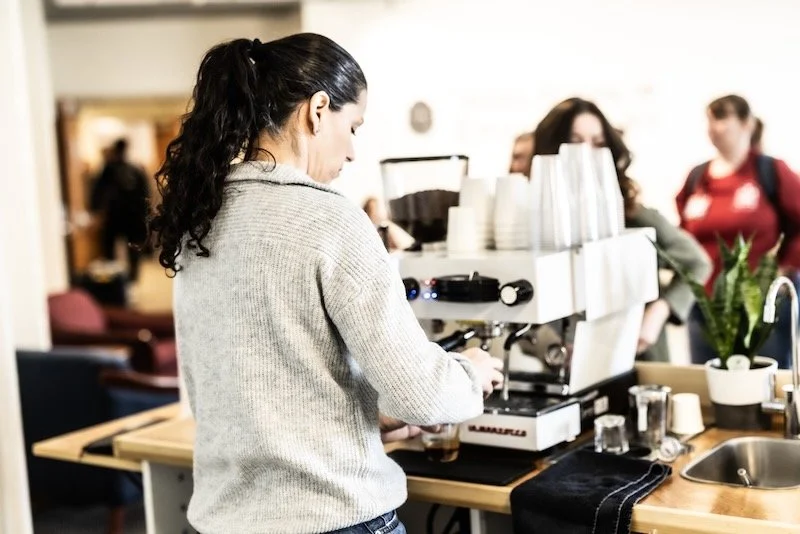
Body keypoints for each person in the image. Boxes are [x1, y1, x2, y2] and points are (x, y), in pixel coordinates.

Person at [148, 33, 503, 534]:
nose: (354, 150)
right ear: (317, 110)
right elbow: (422, 395)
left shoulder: (198, 218)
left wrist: (362, 416)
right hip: (332, 519)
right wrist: (469, 372)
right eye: (353, 125)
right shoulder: (329, 218)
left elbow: (252, 393)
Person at [533, 97, 712, 362]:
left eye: (597, 142)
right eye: (574, 141)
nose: (586, 152)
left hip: (640, 361)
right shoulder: (532, 217)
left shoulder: (635, 216)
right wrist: (552, 347)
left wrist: (659, 312)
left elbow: (697, 263)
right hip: (567, 369)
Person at [676, 95, 800, 369]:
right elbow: (683, 235)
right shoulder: (698, 177)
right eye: (710, 119)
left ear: (746, 123)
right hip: (705, 304)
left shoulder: (770, 170)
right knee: (708, 379)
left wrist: (785, 265)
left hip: (761, 302)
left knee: (764, 379)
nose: (714, 127)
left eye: (722, 118)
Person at [89, 138, 150, 282]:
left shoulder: (109, 170)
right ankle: (126, 278)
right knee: (130, 249)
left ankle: (117, 279)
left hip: (116, 216)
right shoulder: (134, 169)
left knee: (113, 249)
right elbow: (145, 195)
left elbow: (97, 193)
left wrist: (96, 211)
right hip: (129, 216)